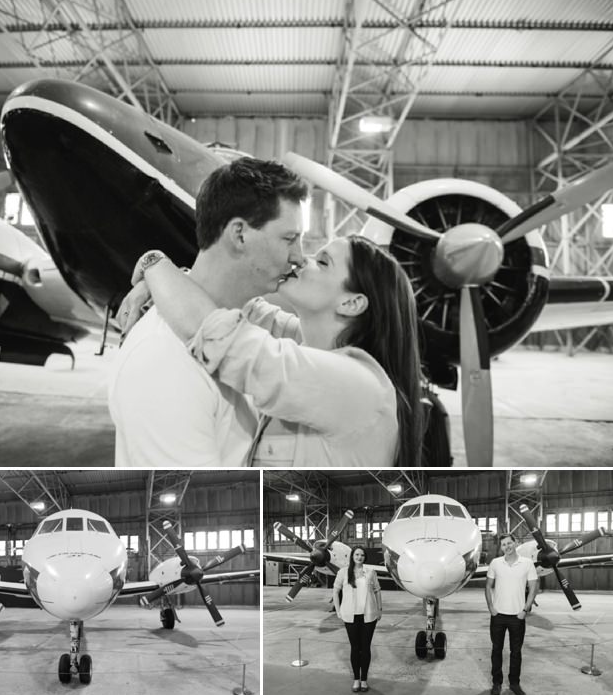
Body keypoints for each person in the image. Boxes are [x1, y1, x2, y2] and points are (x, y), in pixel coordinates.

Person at [125, 230, 424, 466]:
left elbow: (218, 334)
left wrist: (156, 266)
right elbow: (246, 308)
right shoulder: (315, 347)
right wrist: (175, 279)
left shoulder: (355, 383)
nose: (300, 260)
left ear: (351, 303)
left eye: (322, 263)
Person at [108, 157, 307, 465]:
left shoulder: (251, 314)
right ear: (239, 234)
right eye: (289, 239)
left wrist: (155, 265)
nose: (299, 257)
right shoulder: (163, 359)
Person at [485, 533, 538, 695]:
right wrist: (491, 607)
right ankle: (497, 683)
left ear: (515, 543)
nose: (506, 547)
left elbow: (533, 587)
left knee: (516, 652)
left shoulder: (527, 563)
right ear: (500, 548)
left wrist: (525, 609)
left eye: (509, 543)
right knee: (496, 650)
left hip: (517, 616)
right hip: (498, 616)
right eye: (503, 545)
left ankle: (514, 684)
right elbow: (488, 586)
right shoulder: (495, 563)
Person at [332, 546, 381, 692]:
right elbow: (335, 591)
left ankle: (364, 679)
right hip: (350, 616)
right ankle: (356, 679)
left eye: (362, 555)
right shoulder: (343, 572)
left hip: (369, 615)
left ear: (364, 557)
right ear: (352, 556)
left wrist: (380, 609)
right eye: (357, 554)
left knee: (365, 648)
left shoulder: (371, 572)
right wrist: (338, 610)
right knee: (355, 648)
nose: (359, 557)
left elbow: (378, 591)